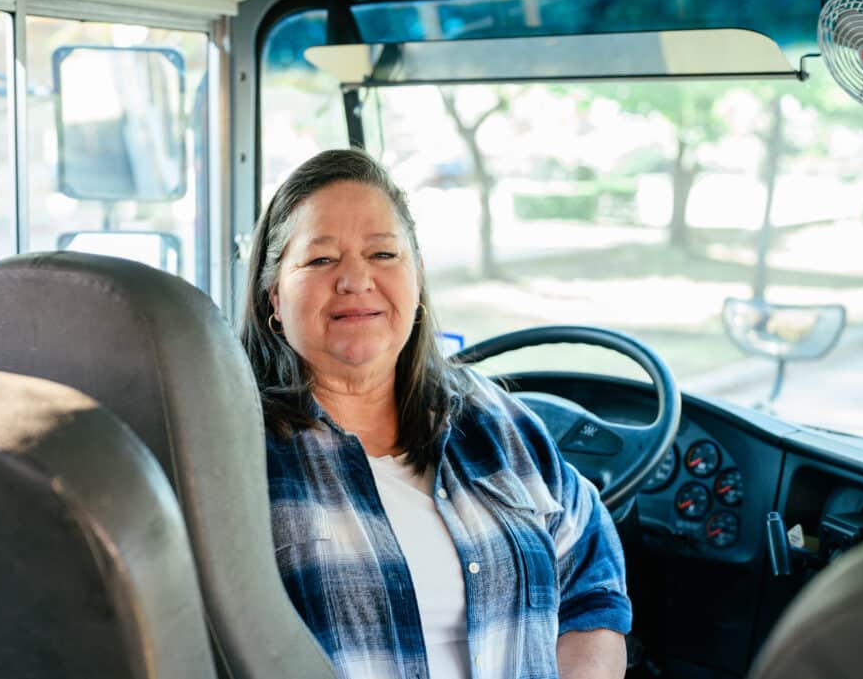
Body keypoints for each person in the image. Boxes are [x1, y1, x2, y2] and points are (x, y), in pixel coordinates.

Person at [240, 148, 630, 679]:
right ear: (274, 299)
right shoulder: (235, 450)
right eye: (320, 259)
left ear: (417, 277)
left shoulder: (494, 420)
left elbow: (592, 583)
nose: (356, 279)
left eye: (383, 255)